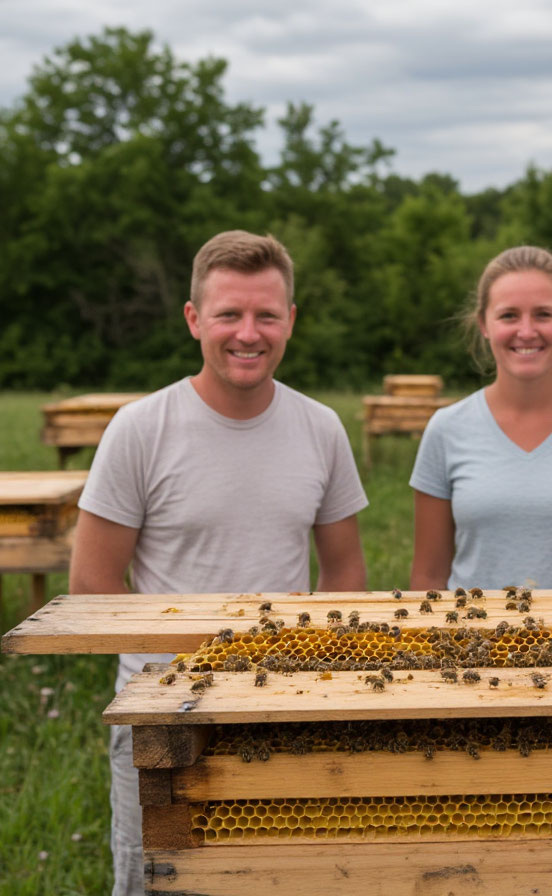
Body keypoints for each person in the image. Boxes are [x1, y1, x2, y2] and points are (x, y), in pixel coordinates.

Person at [69, 230, 368, 896]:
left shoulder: (321, 427)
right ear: (194, 319)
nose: (248, 333)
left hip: (281, 702)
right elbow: (92, 584)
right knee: (158, 879)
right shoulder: (140, 428)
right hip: (160, 712)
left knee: (279, 876)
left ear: (291, 319)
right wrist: (197, 663)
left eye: (266, 314)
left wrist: (304, 671)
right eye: (229, 314)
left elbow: (345, 572)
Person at [409, 245, 552, 592]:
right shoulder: (446, 429)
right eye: (509, 316)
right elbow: (428, 578)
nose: (526, 330)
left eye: (543, 314)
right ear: (484, 325)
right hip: (472, 643)